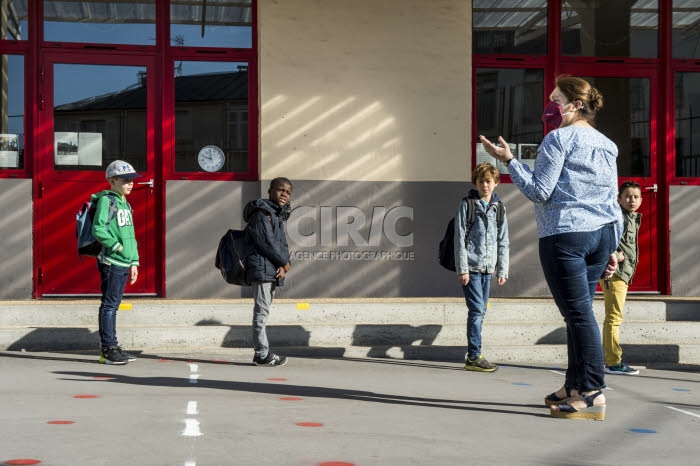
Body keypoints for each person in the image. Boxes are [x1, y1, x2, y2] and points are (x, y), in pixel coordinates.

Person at [479, 76, 622, 420]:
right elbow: (611, 198)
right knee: (581, 312)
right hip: (601, 234)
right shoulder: (607, 144)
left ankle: (591, 391)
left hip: (566, 235)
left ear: (574, 105)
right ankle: (574, 385)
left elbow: (540, 191)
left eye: (555, 99)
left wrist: (509, 162)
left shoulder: (557, 139)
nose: (549, 105)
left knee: (578, 314)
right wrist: (614, 247)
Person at [454, 162, 509, 372]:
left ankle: (474, 354)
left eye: (488, 181)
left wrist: (502, 270)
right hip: (472, 267)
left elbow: (503, 241)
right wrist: (463, 269)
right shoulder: (467, 205)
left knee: (480, 311)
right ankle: (474, 356)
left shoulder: (500, 208)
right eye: (480, 181)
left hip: (488, 268)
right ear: (475, 183)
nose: (484, 185)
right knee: (477, 310)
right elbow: (459, 239)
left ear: (495, 183)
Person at [92, 160, 141, 365]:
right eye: (125, 180)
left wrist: (134, 261)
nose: (130, 183)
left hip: (123, 262)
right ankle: (108, 349)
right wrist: (117, 248)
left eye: (132, 180)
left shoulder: (125, 204)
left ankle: (113, 346)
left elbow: (130, 235)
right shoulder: (107, 200)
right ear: (112, 180)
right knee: (109, 305)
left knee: (114, 305)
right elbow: (98, 229)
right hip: (112, 261)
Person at [243, 177, 293, 367]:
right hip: (262, 267)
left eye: (288, 193)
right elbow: (266, 243)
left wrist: (285, 264)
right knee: (261, 311)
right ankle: (262, 354)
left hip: (270, 267)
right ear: (270, 190)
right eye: (281, 190)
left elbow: (282, 244)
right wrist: (284, 263)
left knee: (263, 310)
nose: (284, 195)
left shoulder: (277, 215)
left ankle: (261, 353)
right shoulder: (262, 213)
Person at [599, 181, 643, 376]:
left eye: (635, 196)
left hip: (622, 273)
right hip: (615, 272)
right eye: (627, 196)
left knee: (614, 317)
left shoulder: (631, 217)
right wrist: (616, 254)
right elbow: (605, 236)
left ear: (641, 199)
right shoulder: (619, 217)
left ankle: (610, 360)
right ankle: (613, 362)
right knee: (614, 318)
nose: (631, 200)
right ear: (619, 199)